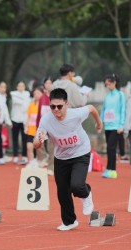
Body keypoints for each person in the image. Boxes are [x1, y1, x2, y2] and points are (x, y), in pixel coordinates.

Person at [34, 88, 102, 231]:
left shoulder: (76, 114)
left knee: (76, 186)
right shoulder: (46, 119)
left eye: (59, 106)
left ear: (67, 104)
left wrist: (99, 123)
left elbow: (91, 108)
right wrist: (39, 141)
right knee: (62, 191)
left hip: (81, 152)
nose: (56, 109)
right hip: (61, 157)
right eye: (53, 106)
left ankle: (86, 193)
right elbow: (36, 142)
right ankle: (69, 221)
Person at [100, 74, 126, 179]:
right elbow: (103, 110)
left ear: (114, 82)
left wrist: (121, 125)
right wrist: (100, 122)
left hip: (116, 126)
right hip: (107, 126)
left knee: (112, 148)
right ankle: (108, 169)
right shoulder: (107, 96)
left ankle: (113, 170)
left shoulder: (120, 95)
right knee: (109, 148)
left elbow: (123, 110)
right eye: (106, 84)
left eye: (109, 83)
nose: (107, 86)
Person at [10, 81, 30, 164]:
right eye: (19, 86)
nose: (21, 87)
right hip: (15, 119)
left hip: (24, 120)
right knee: (15, 139)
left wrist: (21, 99)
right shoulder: (13, 93)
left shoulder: (27, 94)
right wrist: (22, 99)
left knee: (24, 139)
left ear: (24, 87)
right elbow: (16, 101)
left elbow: (26, 104)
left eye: (23, 86)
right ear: (17, 87)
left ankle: (24, 156)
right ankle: (15, 156)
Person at [25, 86, 42, 168]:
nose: (36, 95)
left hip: (39, 131)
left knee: (39, 149)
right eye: (34, 93)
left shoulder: (44, 106)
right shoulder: (31, 105)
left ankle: (38, 162)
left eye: (38, 93)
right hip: (31, 130)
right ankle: (31, 162)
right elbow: (28, 117)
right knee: (29, 147)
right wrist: (26, 127)